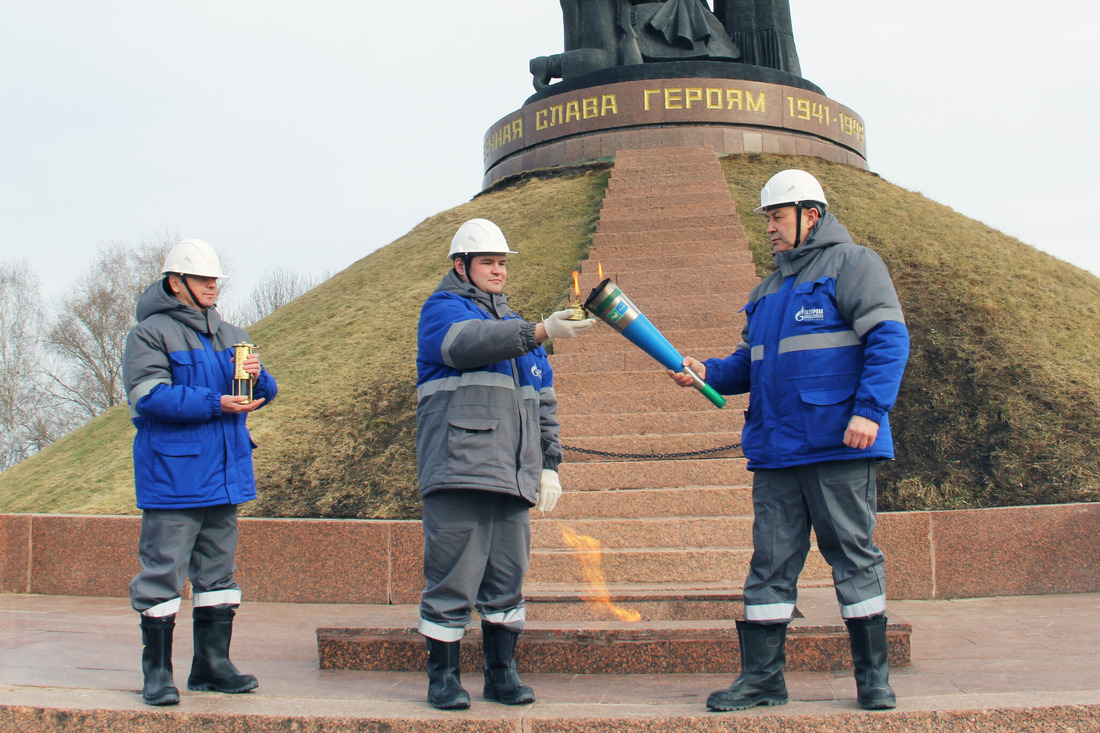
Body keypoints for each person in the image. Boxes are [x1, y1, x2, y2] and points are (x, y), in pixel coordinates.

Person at [669, 170, 909, 711]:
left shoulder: (855, 264)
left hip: (838, 445)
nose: (770, 229)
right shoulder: (767, 291)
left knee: (852, 555)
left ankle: (873, 679)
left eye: (777, 217)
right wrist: (703, 371)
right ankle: (762, 680)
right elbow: (749, 366)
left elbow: (890, 339)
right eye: (768, 219)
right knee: (770, 564)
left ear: (811, 216)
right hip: (777, 451)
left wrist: (870, 410)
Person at [415, 218, 596, 710]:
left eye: (501, 263)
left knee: (506, 580)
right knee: (452, 577)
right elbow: (465, 345)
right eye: (487, 262)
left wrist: (550, 465)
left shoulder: (519, 334)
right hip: (460, 469)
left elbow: (545, 405)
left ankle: (501, 673)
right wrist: (538, 330)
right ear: (461, 265)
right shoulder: (442, 311)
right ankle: (444, 679)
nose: (498, 270)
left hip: (513, 474)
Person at [122, 239, 277, 706]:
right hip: (175, 476)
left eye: (216, 281)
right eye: (204, 279)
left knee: (218, 575)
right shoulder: (149, 334)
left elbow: (264, 390)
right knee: (163, 573)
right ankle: (158, 674)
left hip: (225, 473)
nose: (213, 287)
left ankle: (211, 667)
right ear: (176, 283)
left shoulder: (232, 333)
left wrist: (259, 375)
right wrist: (215, 401)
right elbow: (148, 397)